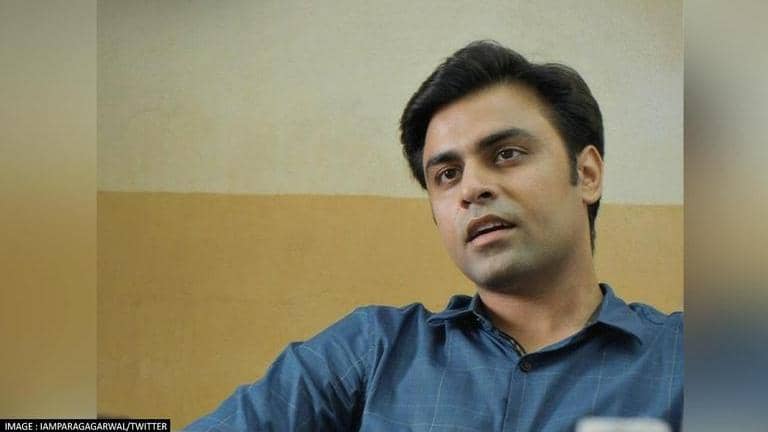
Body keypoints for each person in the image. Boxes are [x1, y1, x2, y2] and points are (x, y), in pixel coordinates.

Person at [185, 40, 683, 432]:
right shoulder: (372, 351)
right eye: (446, 174)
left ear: (587, 174)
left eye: (506, 154)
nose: (472, 188)